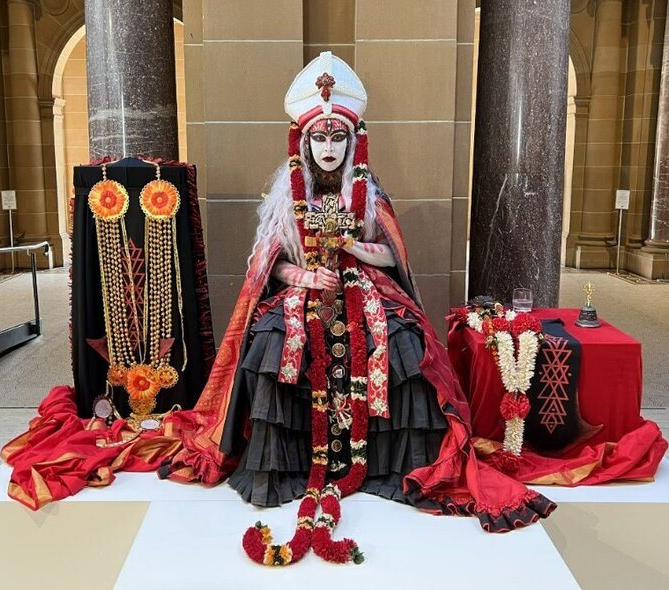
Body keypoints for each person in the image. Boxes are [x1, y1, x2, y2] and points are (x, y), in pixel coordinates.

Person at [163, 52, 554, 565]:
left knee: (404, 344)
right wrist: (303, 275)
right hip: (306, 291)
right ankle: (291, 464)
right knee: (273, 342)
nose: (328, 148)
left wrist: (352, 247)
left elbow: (391, 253)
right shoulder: (286, 196)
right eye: (320, 138)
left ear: (353, 141)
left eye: (338, 138)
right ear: (305, 142)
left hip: (366, 288)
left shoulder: (369, 191)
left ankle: (385, 466)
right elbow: (270, 264)